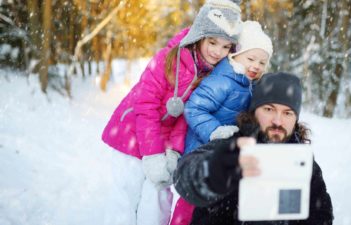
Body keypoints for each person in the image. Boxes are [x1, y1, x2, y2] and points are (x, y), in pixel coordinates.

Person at [101, 1, 242, 225]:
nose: (217, 51)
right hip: (130, 135)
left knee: (158, 202)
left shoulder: (212, 76)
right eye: (212, 42)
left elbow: (185, 118)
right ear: (199, 35)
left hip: (163, 144)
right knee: (126, 197)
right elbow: (145, 105)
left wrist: (174, 151)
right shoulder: (168, 59)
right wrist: (152, 153)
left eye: (226, 47)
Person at [173, 72, 334, 225]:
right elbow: (183, 176)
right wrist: (214, 172)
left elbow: (321, 216)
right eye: (269, 109)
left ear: (295, 119)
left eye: (287, 113)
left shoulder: (303, 164)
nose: (278, 121)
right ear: (254, 112)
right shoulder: (230, 149)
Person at [170, 20, 274, 225]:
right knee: (192, 203)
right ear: (236, 56)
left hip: (223, 155)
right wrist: (215, 131)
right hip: (201, 152)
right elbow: (194, 108)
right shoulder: (224, 80)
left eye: (262, 62)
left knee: (215, 204)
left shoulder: (246, 82)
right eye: (251, 58)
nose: (256, 65)